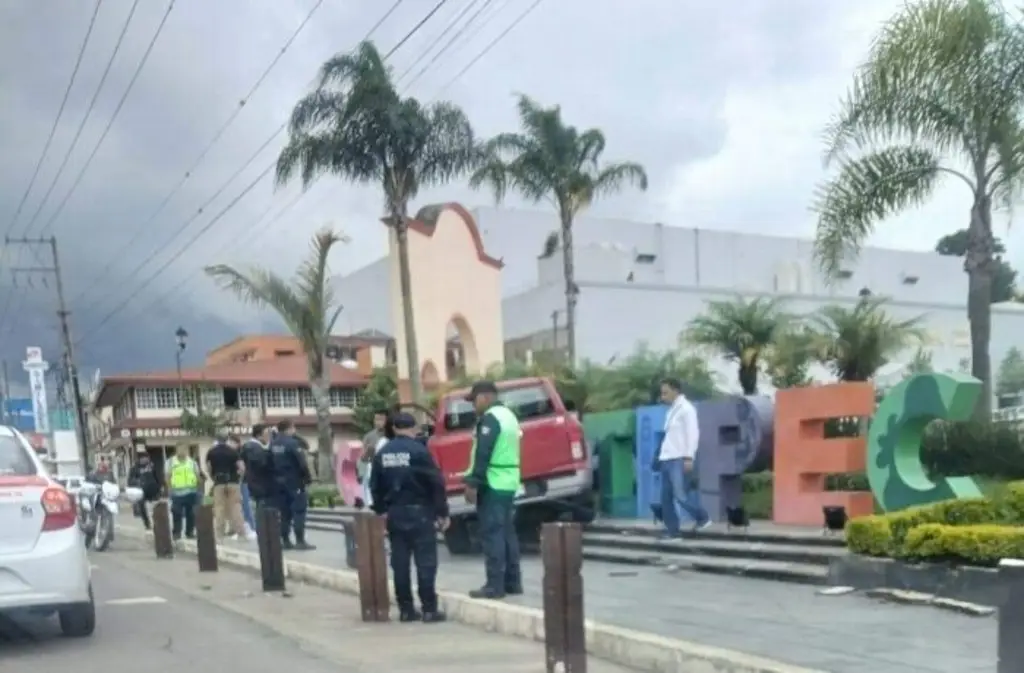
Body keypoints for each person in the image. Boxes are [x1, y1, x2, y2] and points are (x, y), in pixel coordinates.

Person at [370, 412, 448, 623]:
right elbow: (436, 483)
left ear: (394, 428)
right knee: (426, 562)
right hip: (421, 512)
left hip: (395, 513)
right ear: (413, 429)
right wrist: (442, 512)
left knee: (400, 563)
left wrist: (381, 511)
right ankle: (429, 609)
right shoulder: (420, 451)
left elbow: (374, 486)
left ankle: (406, 609)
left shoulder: (383, 453)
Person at [462, 381, 523, 600]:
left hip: (493, 483)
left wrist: (473, 483)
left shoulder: (490, 419)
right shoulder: (509, 416)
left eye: (474, 400)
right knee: (507, 533)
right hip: (509, 482)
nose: (473, 406)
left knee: (492, 534)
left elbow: (483, 453)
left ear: (485, 397)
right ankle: (513, 582)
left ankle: (494, 585)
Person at [656, 377, 711, 537]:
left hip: (679, 459)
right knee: (665, 499)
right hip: (666, 458)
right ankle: (672, 531)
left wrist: (689, 457)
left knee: (680, 496)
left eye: (666, 393)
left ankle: (703, 517)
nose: (663, 396)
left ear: (675, 390)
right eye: (662, 393)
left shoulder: (687, 409)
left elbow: (693, 434)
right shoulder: (671, 411)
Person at [268, 419, 314, 550]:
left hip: (278, 482)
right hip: (294, 482)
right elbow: (302, 463)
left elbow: (269, 462)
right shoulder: (292, 443)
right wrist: (307, 478)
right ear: (289, 428)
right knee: (299, 511)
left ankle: (286, 540)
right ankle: (300, 541)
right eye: (293, 428)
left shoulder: (273, 444)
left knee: (284, 513)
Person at [206, 433, 251, 541]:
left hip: (219, 482)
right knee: (236, 507)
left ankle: (219, 535)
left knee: (219, 509)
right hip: (233, 482)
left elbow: (209, 467)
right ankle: (241, 534)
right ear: (227, 440)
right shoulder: (233, 452)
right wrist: (238, 478)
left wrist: (213, 478)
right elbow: (242, 468)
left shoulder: (211, 452)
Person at [165, 442, 201, 540]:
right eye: (180, 449)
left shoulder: (192, 462)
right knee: (177, 513)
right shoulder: (170, 462)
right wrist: (169, 489)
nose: (183, 451)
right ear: (176, 450)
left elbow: (197, 476)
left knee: (191, 514)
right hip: (177, 493)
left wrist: (199, 489)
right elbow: (168, 477)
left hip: (191, 492)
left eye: (185, 449)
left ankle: (189, 532)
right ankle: (177, 533)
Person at [241, 424, 273, 520]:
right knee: (262, 509)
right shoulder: (256, 449)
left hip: (250, 481)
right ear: (259, 435)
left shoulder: (246, 446)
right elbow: (263, 466)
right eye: (267, 434)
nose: (269, 436)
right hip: (259, 483)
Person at [359, 409, 388, 507]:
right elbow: (363, 458)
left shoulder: (391, 435)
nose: (378, 422)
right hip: (373, 468)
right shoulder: (368, 436)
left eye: (381, 419)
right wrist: (368, 452)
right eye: (376, 419)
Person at [127, 450, 160, 530]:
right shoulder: (134, 468)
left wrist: (159, 487)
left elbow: (157, 477)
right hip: (141, 492)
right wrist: (137, 482)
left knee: (156, 508)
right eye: (143, 458)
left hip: (153, 490)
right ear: (139, 459)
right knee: (143, 508)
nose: (145, 459)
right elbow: (130, 481)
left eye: (147, 458)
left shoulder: (152, 466)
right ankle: (147, 524)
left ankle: (157, 523)